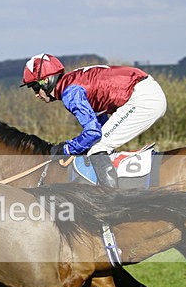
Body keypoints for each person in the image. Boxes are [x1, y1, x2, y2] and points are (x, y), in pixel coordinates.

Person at [21, 53, 167, 188]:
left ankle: (112, 201)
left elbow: (93, 133)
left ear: (46, 81)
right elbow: (100, 124)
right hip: (145, 91)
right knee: (99, 145)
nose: (35, 94)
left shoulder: (71, 93)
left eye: (34, 87)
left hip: (142, 98)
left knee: (98, 148)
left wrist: (66, 148)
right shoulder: (73, 81)